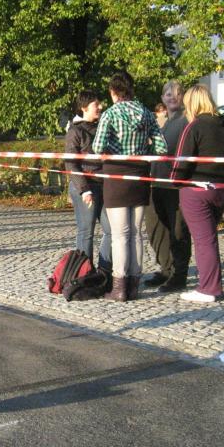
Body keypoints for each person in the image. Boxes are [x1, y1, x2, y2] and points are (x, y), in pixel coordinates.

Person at [92, 72, 168, 302]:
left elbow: (97, 147)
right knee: (135, 233)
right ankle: (134, 286)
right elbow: (162, 148)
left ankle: (119, 287)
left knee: (119, 235)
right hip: (140, 176)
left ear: (113, 92)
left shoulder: (110, 114)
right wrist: (143, 151)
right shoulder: (146, 113)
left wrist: (114, 150)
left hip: (116, 177)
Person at [170, 85, 224, 302]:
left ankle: (209, 288)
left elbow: (182, 159)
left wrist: (175, 181)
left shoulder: (194, 126)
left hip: (197, 190)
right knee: (209, 238)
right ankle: (211, 283)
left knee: (203, 240)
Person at [143, 80, 192, 293]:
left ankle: (179, 274)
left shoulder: (186, 121)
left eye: (177, 94)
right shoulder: (163, 124)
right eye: (168, 94)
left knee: (178, 231)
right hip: (157, 183)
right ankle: (166, 268)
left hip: (175, 186)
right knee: (156, 229)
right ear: (162, 98)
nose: (172, 98)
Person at [65, 90, 112, 273]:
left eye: (100, 103)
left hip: (104, 184)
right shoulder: (75, 131)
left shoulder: (103, 127)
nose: (100, 107)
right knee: (86, 232)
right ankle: (85, 273)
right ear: (84, 108)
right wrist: (84, 189)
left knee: (111, 230)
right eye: (96, 104)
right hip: (85, 186)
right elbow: (71, 163)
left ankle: (104, 271)